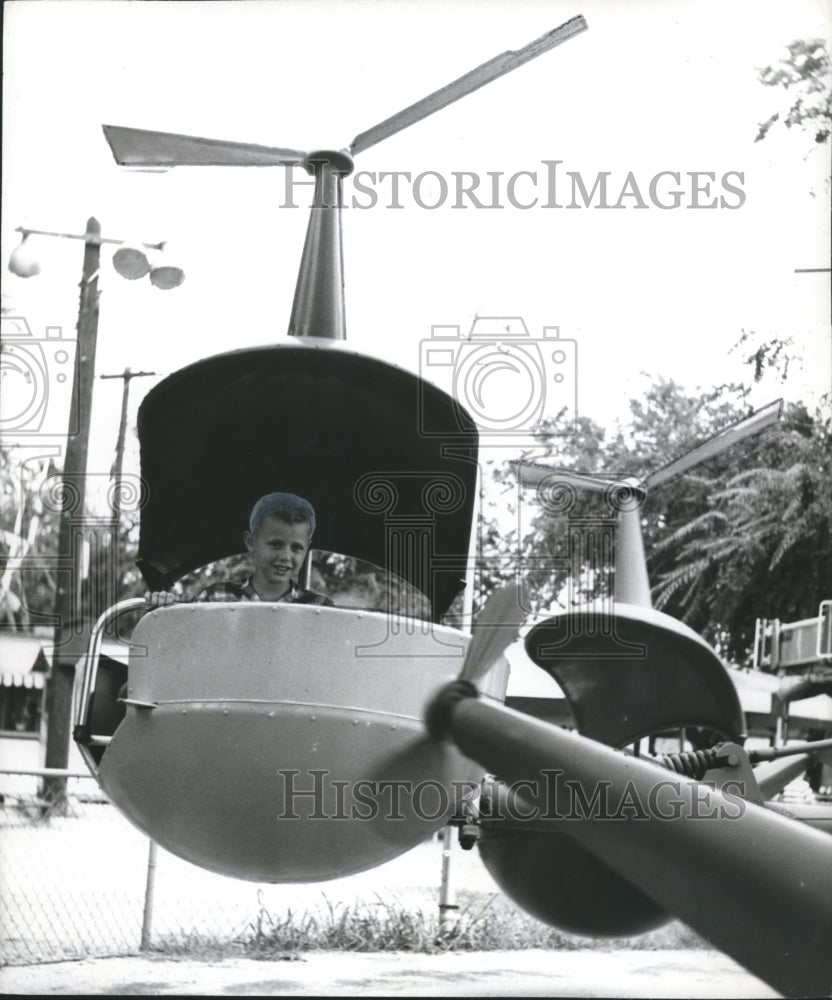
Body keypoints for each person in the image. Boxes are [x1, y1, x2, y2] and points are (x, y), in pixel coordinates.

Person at [147, 492, 333, 608]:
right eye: (275, 544)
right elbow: (181, 646)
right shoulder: (215, 597)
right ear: (251, 542)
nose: (285, 556)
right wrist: (162, 609)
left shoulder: (320, 608)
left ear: (307, 548)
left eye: (296, 548)